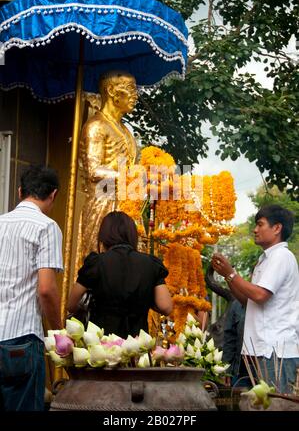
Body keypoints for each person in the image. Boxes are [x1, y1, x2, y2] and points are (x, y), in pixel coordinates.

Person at [212, 204, 299, 393]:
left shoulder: (282, 256)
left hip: (275, 351)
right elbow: (247, 300)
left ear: (277, 228)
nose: (255, 229)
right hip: (260, 349)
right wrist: (227, 276)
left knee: (276, 406)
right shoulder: (264, 259)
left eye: (260, 224)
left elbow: (260, 295)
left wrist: (232, 274)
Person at [0, 165, 63, 411]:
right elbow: (46, 289)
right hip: (22, 340)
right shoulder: (46, 227)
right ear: (53, 195)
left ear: (19, 192)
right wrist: (59, 334)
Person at [68, 211, 172, 337]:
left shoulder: (97, 263)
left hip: (101, 342)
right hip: (137, 341)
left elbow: (72, 305)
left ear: (104, 235)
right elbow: (166, 306)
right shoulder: (151, 264)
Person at [75, 70, 138, 274]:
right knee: (99, 261)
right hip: (102, 202)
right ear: (111, 91)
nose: (135, 95)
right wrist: (130, 176)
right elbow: (94, 170)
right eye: (130, 89)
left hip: (125, 202)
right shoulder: (96, 126)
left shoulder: (125, 130)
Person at [222, 299, 247, 386]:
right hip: (241, 369)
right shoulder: (236, 305)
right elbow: (229, 339)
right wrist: (226, 368)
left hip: (267, 367)